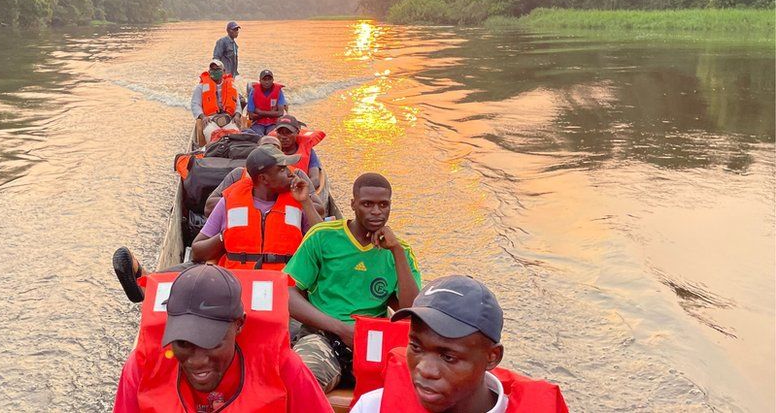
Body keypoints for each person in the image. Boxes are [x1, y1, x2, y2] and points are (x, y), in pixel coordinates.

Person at [112, 264, 332, 413]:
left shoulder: (282, 367)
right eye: (183, 343)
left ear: (239, 324)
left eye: (212, 342)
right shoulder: (142, 366)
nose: (197, 361)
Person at [350, 275, 570, 413]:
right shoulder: (372, 407)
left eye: (448, 357)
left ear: (492, 357)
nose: (425, 370)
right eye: (416, 347)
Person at [285, 173, 421, 392]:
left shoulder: (400, 251)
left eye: (383, 205)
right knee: (302, 379)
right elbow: (287, 294)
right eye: (367, 204)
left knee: (417, 389)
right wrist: (342, 330)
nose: (376, 212)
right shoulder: (322, 236)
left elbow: (410, 312)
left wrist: (396, 251)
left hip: (375, 345)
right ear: (353, 204)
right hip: (322, 337)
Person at [191, 144, 322, 270]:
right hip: (239, 284)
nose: (291, 173)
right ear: (263, 179)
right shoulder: (228, 202)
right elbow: (197, 251)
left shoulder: (298, 201)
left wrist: (306, 201)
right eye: (282, 169)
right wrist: (225, 236)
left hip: (285, 284)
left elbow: (322, 244)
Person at [203, 136, 324, 218]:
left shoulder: (297, 175)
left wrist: (301, 202)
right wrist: (247, 204)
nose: (271, 151)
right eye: (266, 148)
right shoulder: (238, 175)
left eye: (275, 148)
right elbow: (209, 207)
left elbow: (321, 211)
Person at [191, 58, 242, 144]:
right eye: (212, 69)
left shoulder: (232, 86)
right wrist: (203, 117)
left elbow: (237, 105)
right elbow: (195, 104)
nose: (214, 71)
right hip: (210, 119)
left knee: (235, 135)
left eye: (217, 69)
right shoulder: (201, 87)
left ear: (223, 71)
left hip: (229, 118)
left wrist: (237, 115)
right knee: (212, 135)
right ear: (209, 71)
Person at [270, 115, 324, 185]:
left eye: (288, 132)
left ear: (297, 132)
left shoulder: (308, 150)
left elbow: (315, 179)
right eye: (280, 133)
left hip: (301, 188)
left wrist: (300, 189)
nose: (284, 137)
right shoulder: (270, 151)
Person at [246, 69, 287, 135]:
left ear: (273, 80)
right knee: (257, 136)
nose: (267, 82)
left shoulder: (279, 92)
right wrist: (272, 113)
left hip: (273, 123)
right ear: (260, 81)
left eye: (269, 79)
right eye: (264, 79)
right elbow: (251, 116)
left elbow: (280, 113)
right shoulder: (253, 92)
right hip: (257, 123)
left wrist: (259, 112)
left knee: (272, 135)